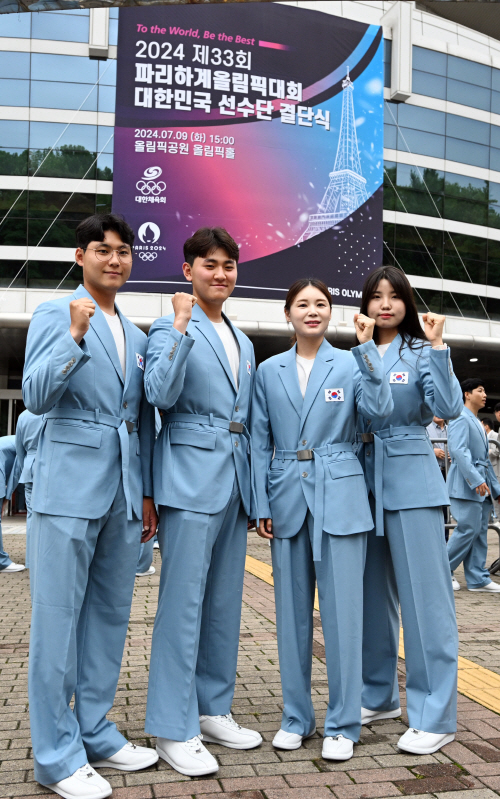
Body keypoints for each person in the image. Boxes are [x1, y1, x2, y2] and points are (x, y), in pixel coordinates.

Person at [22, 213, 159, 799]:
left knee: (108, 616)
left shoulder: (139, 331)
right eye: (102, 250)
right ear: (80, 256)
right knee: (57, 619)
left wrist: (148, 491)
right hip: (68, 484)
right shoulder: (58, 312)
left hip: (123, 490)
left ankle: (94, 727)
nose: (115, 260)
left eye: (123, 251)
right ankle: (55, 755)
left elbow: (144, 419)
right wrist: (74, 340)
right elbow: (34, 395)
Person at [251, 279, 392, 762]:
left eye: (322, 304)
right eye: (303, 304)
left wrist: (368, 349)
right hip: (286, 492)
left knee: (343, 616)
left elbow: (377, 414)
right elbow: (258, 439)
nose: (313, 311)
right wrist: (260, 504)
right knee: (290, 615)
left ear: (332, 313)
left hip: (342, 491)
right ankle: (296, 716)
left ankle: (343, 723)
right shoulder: (268, 371)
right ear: (287, 313)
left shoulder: (353, 363)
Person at [144, 227, 261, 777]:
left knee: (223, 605)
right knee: (182, 606)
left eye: (229, 265)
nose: (221, 274)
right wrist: (183, 326)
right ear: (187, 268)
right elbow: (159, 396)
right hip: (189, 478)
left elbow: (252, 422)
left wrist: (257, 494)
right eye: (209, 264)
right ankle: (171, 725)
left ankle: (212, 706)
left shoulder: (246, 339)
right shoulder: (169, 326)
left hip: (234, 480)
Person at [359, 265, 463, 756]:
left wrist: (440, 349)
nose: (385, 304)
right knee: (372, 598)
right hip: (361, 483)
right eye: (376, 296)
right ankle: (379, 696)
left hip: (413, 483)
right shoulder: (353, 352)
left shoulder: (421, 352)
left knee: (426, 602)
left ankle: (435, 713)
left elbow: (448, 406)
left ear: (407, 302)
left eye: (394, 296)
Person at [447, 381, 500, 594]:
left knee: (478, 532)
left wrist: (495, 489)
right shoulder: (460, 417)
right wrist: (476, 480)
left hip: (481, 484)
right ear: (467, 394)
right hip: (466, 484)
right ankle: (442, 570)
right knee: (467, 529)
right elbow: (458, 451)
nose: (485, 394)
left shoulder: (476, 421)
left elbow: (485, 461)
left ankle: (478, 578)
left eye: (485, 390)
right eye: (480, 390)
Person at [15, 409, 44, 569]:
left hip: (29, 467)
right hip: (50, 467)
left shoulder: (23, 416)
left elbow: (19, 449)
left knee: (32, 516)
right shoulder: (51, 411)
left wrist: (25, 467)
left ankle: (30, 561)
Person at [0, 435, 25, 573]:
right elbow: (16, 472)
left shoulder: (17, 438)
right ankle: (1, 562)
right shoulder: (28, 442)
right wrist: (6, 500)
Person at [426, 415, 450, 538]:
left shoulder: (450, 428)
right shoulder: (425, 427)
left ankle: (445, 540)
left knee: (446, 509)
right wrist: (433, 450)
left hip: (448, 472)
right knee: (434, 508)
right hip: (433, 472)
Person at [482, 417, 500, 519]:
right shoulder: (484, 436)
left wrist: (484, 452)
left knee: (496, 494)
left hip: (495, 469)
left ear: (486, 426)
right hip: (487, 469)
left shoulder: (495, 435)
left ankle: (497, 518)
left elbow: (497, 451)